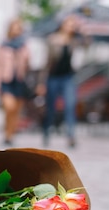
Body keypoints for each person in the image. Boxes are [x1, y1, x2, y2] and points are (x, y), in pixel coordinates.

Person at [37, 15, 81, 148]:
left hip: (68, 77)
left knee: (70, 105)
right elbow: (46, 62)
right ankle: (46, 133)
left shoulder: (74, 40)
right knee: (50, 108)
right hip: (53, 77)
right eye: (70, 24)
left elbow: (88, 44)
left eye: (73, 25)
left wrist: (83, 30)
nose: (72, 27)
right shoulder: (52, 39)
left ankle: (71, 136)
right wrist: (41, 82)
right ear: (63, 25)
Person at [0, 18, 31, 147]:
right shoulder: (3, 45)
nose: (16, 30)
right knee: (9, 107)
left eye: (18, 28)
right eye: (14, 27)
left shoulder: (24, 46)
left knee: (16, 111)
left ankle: (10, 135)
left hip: (19, 80)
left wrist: (24, 57)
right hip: (6, 80)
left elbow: (29, 65)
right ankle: (7, 131)